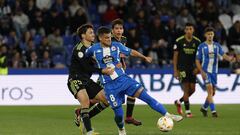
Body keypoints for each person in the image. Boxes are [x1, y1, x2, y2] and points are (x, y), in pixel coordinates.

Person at [85, 26, 183, 135]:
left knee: (146, 97)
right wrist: (97, 69)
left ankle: (167, 114)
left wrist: (144, 57)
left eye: (109, 37)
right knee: (119, 115)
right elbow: (83, 61)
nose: (109, 40)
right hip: (109, 86)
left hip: (124, 80)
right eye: (106, 38)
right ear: (100, 38)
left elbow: (131, 52)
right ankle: (121, 130)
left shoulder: (117, 46)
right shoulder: (93, 49)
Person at [67, 24, 114, 135]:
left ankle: (83, 116)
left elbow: (102, 57)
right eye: (91, 32)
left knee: (108, 100)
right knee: (85, 101)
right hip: (75, 80)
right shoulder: (79, 49)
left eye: (93, 32)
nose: (93, 34)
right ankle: (89, 131)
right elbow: (86, 67)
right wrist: (102, 70)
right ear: (83, 35)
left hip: (87, 80)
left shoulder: (94, 46)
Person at [196, 27, 235, 117]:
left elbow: (223, 55)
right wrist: (201, 71)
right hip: (205, 71)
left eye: (211, 34)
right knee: (210, 91)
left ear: (213, 35)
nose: (210, 36)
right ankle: (213, 111)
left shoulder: (217, 45)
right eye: (208, 34)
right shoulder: (201, 46)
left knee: (213, 93)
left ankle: (204, 108)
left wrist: (230, 59)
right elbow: (197, 60)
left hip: (214, 72)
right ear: (205, 35)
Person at [111, 18, 141, 125]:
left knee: (132, 92)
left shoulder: (123, 39)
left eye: (120, 28)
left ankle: (128, 117)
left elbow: (122, 54)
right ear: (112, 30)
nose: (119, 30)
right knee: (99, 100)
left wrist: (123, 63)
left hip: (120, 72)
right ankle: (82, 112)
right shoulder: (109, 41)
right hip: (109, 74)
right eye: (116, 29)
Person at [173, 23, 201, 117]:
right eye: (187, 29)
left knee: (193, 90)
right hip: (182, 68)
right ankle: (188, 111)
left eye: (190, 29)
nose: (189, 31)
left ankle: (178, 101)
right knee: (186, 88)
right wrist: (175, 70)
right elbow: (175, 56)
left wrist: (198, 68)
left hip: (193, 68)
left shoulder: (197, 42)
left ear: (193, 30)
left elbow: (200, 57)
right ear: (185, 30)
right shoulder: (179, 41)